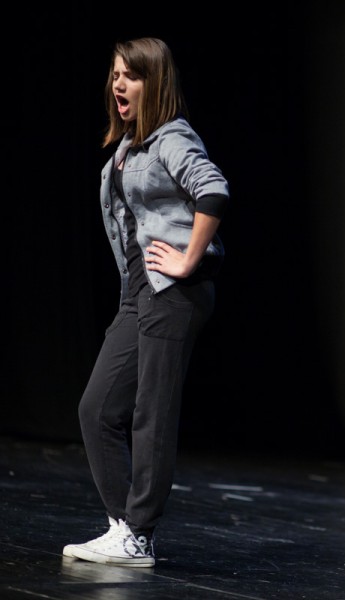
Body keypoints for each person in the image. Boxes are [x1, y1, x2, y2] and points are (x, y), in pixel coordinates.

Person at [62, 37, 229, 567]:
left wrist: (187, 260)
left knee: (150, 415)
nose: (117, 84)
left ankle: (139, 535)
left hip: (173, 292)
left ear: (153, 82)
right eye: (114, 74)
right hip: (139, 294)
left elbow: (213, 190)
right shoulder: (128, 147)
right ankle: (124, 528)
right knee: (97, 408)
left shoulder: (171, 138)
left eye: (129, 75)